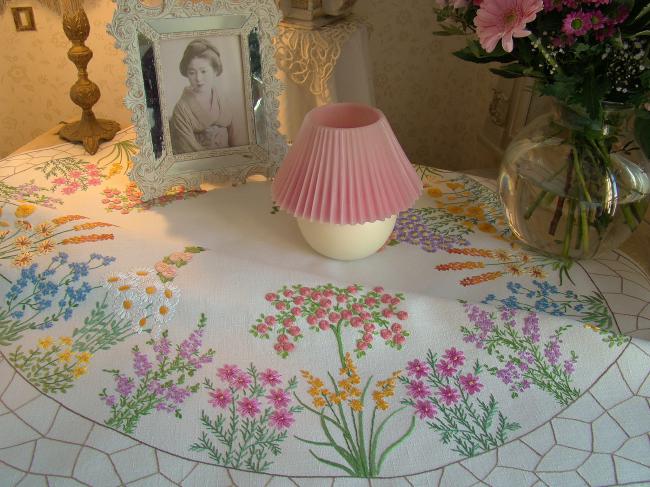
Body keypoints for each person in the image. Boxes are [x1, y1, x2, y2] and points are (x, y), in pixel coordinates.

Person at [169, 39, 234, 154]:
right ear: (186, 74)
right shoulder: (181, 109)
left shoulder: (223, 99)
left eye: (204, 71)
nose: (198, 79)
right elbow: (188, 149)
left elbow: (237, 140)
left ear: (215, 70)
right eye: (192, 72)